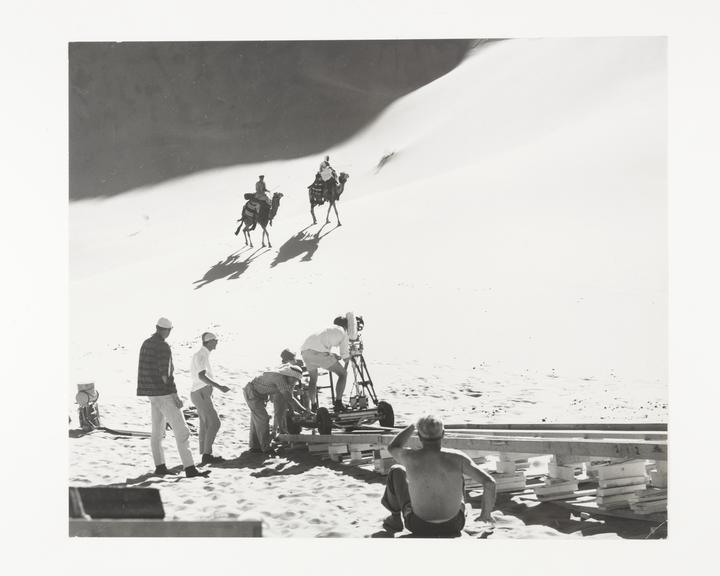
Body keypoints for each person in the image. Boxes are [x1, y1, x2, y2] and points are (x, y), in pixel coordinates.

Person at [381, 414, 496, 537]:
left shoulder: (410, 457)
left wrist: (412, 427)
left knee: (396, 470)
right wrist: (485, 514)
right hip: (454, 524)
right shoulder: (458, 458)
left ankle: (395, 518)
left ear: (419, 436)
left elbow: (393, 447)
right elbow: (489, 483)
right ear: (443, 434)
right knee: (458, 475)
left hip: (418, 525)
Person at [137, 317, 210, 478]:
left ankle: (160, 466)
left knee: (157, 432)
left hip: (151, 394)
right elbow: (166, 374)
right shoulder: (163, 346)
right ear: (166, 330)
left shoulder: (146, 343)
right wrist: (174, 395)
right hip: (163, 394)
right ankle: (190, 469)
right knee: (182, 431)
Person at [243, 364, 310, 455]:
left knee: (257, 420)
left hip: (260, 395)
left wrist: (294, 412)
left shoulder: (290, 382)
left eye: (297, 380)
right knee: (263, 419)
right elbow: (289, 398)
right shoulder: (279, 378)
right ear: (288, 375)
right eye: (294, 379)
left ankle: (255, 447)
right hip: (252, 392)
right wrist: (304, 410)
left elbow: (289, 399)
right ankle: (266, 447)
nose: (295, 382)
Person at [190, 332, 230, 466]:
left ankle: (205, 453)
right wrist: (219, 386)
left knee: (206, 424)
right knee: (215, 423)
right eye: (215, 340)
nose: (217, 342)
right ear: (209, 342)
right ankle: (207, 455)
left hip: (199, 392)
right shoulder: (201, 355)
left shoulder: (202, 354)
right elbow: (201, 376)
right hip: (201, 392)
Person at [300, 317, 350, 412]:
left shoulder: (326, 329)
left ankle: (314, 406)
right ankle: (338, 403)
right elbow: (345, 357)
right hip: (319, 353)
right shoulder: (343, 332)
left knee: (313, 379)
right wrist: (348, 356)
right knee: (343, 374)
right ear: (345, 325)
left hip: (305, 351)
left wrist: (331, 355)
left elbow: (319, 346)